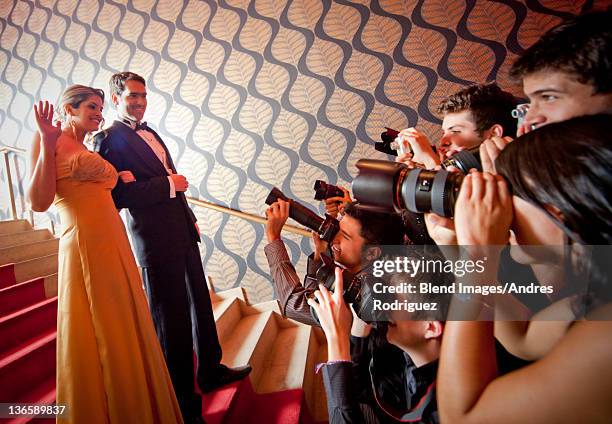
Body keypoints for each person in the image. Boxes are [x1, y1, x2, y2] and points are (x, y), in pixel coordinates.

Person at [93, 72, 250, 424]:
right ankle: (182, 403)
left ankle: (211, 370)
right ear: (117, 98)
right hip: (153, 240)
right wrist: (165, 185)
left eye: (143, 96)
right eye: (132, 96)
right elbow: (117, 196)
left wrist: (188, 213)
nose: (139, 101)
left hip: (182, 229)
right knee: (172, 322)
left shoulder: (152, 131)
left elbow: (171, 179)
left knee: (200, 304)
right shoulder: (107, 139)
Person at [437, 114, 612, 423]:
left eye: (512, 193)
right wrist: (456, 249)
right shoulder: (591, 302)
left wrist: (477, 256)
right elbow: (522, 335)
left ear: (559, 206)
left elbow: (462, 417)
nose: (504, 208)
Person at [27, 86, 183, 423]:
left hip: (114, 240)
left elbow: (97, 184)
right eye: (92, 107)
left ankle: (140, 399)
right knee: (100, 328)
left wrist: (116, 176)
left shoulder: (87, 146)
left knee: (123, 320)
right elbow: (38, 202)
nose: (99, 113)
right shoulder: (48, 140)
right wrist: (46, 139)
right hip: (84, 244)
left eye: (100, 108)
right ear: (69, 108)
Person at [308, 251, 454, 424]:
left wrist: (336, 339)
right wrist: (359, 328)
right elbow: (361, 392)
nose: (386, 306)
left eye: (395, 300)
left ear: (430, 327)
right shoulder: (406, 357)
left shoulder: (444, 410)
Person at [264, 200, 404, 326]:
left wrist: (274, 238)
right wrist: (320, 255)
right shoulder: (386, 264)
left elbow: (294, 306)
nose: (334, 239)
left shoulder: (368, 293)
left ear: (372, 253)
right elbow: (314, 294)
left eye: (345, 236)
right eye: (337, 229)